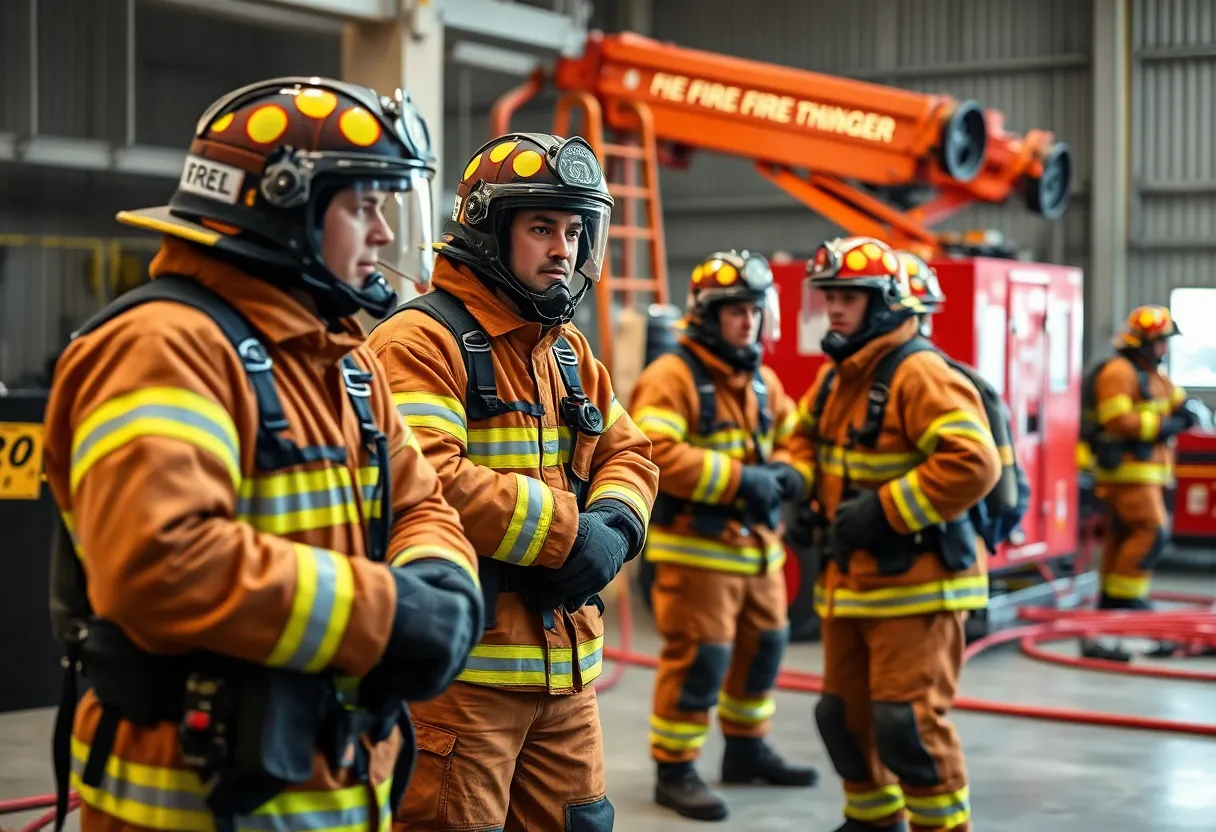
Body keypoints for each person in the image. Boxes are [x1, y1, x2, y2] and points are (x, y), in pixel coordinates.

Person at [42, 76, 483, 832]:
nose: (382, 235)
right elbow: (163, 564)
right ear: (284, 205)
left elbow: (419, 504)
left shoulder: (344, 357)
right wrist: (393, 613)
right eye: (362, 206)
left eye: (386, 207)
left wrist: (440, 576)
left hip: (334, 788)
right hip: (192, 802)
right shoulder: (162, 347)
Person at [367, 132, 659, 832]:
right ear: (488, 228)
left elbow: (630, 451)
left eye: (574, 229)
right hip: (463, 683)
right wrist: (567, 537)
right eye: (541, 228)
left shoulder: (565, 349)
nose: (563, 248)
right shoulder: (420, 341)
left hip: (567, 675)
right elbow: (428, 474)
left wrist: (614, 529)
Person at [786, 236, 1001, 832]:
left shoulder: (920, 373)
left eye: (849, 297)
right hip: (850, 583)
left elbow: (973, 462)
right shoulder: (839, 378)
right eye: (829, 296)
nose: (833, 309)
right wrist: (798, 485)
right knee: (843, 717)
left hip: (919, 586)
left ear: (887, 305)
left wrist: (886, 510)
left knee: (906, 726)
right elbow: (802, 441)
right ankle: (873, 821)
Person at [628, 250, 818, 821]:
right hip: (696, 556)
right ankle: (675, 769)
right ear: (708, 315)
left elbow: (796, 439)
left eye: (755, 311)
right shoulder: (672, 375)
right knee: (701, 661)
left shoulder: (762, 381)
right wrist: (742, 480)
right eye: (735, 311)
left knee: (764, 653)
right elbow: (655, 451)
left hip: (758, 555)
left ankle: (745, 749)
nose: (747, 323)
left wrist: (789, 474)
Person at [1079, 305, 1205, 660]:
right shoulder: (1119, 372)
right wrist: (1164, 427)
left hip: (1146, 475)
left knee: (1124, 536)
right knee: (1151, 532)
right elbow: (1116, 419)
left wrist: (1189, 411)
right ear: (1144, 342)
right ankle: (1126, 600)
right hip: (1126, 475)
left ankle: (1111, 605)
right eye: (1161, 342)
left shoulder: (1154, 376)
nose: (1165, 349)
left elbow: (1178, 403)